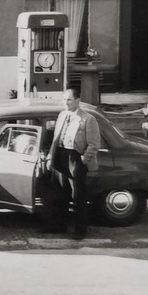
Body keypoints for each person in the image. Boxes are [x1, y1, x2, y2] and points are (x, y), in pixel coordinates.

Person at [44, 89, 101, 238]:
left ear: (77, 101)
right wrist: (51, 156)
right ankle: (59, 226)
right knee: (60, 194)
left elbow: (94, 144)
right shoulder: (62, 115)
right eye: (64, 100)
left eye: (69, 100)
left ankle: (80, 230)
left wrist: (83, 160)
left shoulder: (88, 119)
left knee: (78, 196)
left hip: (75, 157)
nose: (66, 103)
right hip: (61, 155)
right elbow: (56, 138)